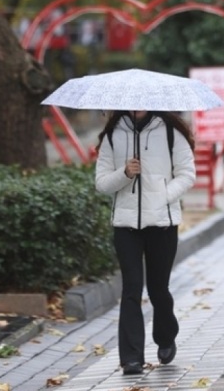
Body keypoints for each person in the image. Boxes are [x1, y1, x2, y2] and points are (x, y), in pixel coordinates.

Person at [94, 110, 196, 375]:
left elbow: (187, 174)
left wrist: (163, 195)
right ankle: (131, 358)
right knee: (131, 289)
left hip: (162, 223)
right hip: (126, 225)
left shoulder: (171, 132)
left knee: (158, 288)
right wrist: (125, 173)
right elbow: (101, 183)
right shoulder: (114, 135)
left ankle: (165, 337)